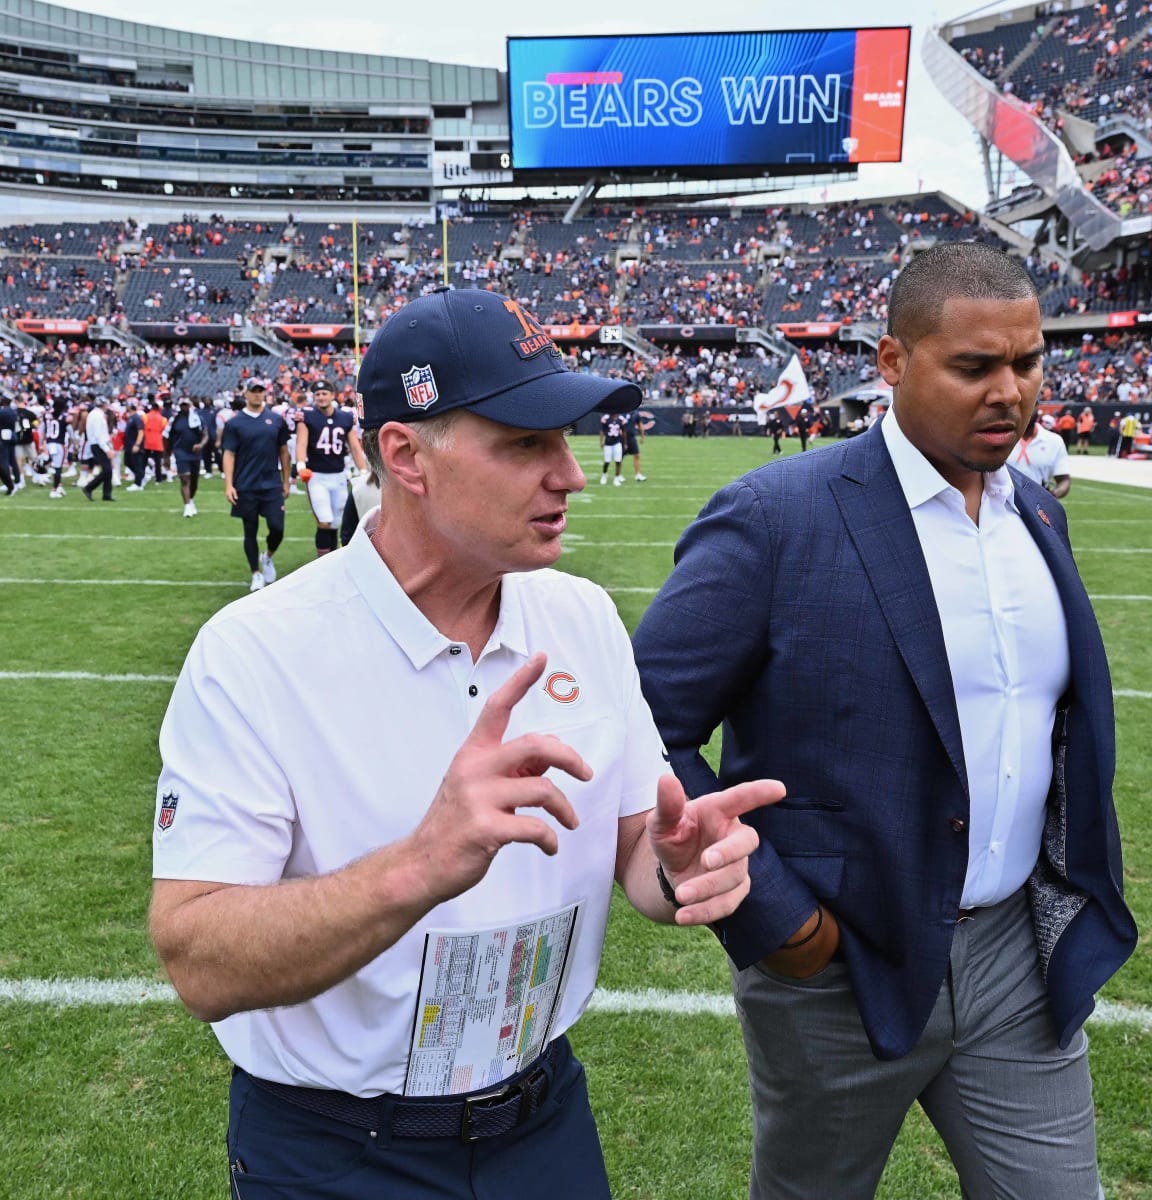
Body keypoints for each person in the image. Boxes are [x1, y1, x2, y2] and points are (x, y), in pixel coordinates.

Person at [148, 286, 783, 1200]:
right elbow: (198, 956)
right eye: (527, 444)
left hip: (543, 1117)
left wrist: (679, 863)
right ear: (406, 454)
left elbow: (639, 848)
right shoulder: (255, 653)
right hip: (334, 1149)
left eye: (566, 440)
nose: (569, 473)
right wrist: (420, 864)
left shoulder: (582, 615)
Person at [633, 242, 1137, 1200]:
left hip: (1012, 955)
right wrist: (786, 924)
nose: (1010, 392)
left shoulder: (1036, 513)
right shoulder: (776, 514)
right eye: (974, 366)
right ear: (893, 363)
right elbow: (643, 720)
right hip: (840, 960)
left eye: (1027, 364)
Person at [221, 378, 290, 591]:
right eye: (254, 391)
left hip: (271, 484)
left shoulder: (276, 420)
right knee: (249, 531)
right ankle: (255, 573)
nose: (258, 394)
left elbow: (284, 452)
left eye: (261, 390)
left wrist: (286, 481)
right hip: (246, 485)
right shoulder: (234, 423)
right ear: (246, 394)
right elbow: (229, 453)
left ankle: (267, 556)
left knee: (277, 528)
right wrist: (229, 484)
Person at [295, 379, 367, 557]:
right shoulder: (308, 416)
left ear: (332, 395)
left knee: (336, 522)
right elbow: (301, 443)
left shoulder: (344, 417)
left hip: (339, 475)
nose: (321, 397)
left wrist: (363, 472)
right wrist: (301, 466)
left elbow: (355, 448)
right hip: (317, 476)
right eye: (317, 394)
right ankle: (322, 560)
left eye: (324, 393)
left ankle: (332, 559)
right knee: (324, 521)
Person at [1008, 407, 1071, 498]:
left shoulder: (1054, 441)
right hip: (1003, 504)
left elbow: (1064, 479)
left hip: (1038, 505)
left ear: (1037, 407)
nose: (1026, 409)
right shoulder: (999, 437)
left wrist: (1053, 496)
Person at [166, 398, 209, 517]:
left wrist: (201, 444)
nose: (184, 407)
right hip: (180, 452)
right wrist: (167, 456)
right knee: (185, 478)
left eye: (186, 405)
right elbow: (168, 438)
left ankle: (190, 499)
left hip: (194, 453)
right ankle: (187, 506)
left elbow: (205, 434)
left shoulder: (197, 418)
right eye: (182, 405)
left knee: (194, 481)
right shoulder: (174, 420)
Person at [81, 396, 116, 501]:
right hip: (99, 444)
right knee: (107, 470)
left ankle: (107, 494)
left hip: (99, 444)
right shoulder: (97, 416)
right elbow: (98, 435)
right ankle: (89, 487)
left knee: (108, 470)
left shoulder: (96, 414)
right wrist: (107, 449)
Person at [43, 398, 70, 498]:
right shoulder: (64, 416)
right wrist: (75, 443)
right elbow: (69, 430)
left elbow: (43, 429)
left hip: (49, 443)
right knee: (58, 468)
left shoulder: (47, 415)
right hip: (59, 444)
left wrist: (42, 443)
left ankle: (58, 486)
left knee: (54, 465)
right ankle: (54, 490)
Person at [123, 401, 146, 491]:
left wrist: (137, 444)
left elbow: (141, 432)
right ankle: (141, 476)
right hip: (129, 445)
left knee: (136, 463)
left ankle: (138, 483)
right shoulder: (131, 417)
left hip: (134, 445)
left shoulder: (136, 418)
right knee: (127, 462)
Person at [143, 400, 167, 484]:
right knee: (158, 462)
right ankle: (158, 479)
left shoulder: (145, 417)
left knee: (143, 460)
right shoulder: (163, 419)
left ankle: (142, 476)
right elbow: (163, 429)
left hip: (147, 441)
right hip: (157, 441)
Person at [599, 410, 625, 485]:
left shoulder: (621, 419)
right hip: (608, 443)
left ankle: (616, 478)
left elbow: (624, 431)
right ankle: (604, 475)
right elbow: (602, 431)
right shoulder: (606, 418)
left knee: (618, 461)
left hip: (617, 442)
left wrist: (625, 443)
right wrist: (601, 442)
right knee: (607, 461)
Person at [622, 409, 648, 480]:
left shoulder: (636, 414)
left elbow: (640, 425)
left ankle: (638, 474)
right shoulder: (622, 413)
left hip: (632, 438)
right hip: (622, 438)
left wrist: (642, 437)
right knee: (620, 457)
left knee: (637, 455)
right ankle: (618, 475)